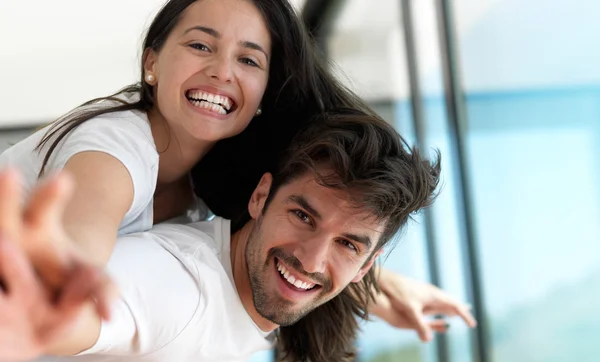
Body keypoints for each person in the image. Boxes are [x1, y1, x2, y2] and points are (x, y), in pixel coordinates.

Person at [1, 0, 473, 341]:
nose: (222, 72)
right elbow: (81, 235)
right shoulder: (111, 150)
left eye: (248, 59)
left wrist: (380, 283)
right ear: (151, 62)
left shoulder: (219, 175)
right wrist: (62, 279)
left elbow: (302, 253)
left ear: (266, 92)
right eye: (201, 45)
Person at [0, 109, 467, 362]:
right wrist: (44, 312)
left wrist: (384, 289)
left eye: (348, 244)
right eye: (303, 215)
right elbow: (109, 305)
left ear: (367, 264)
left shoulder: (247, 277)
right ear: (261, 196)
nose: (311, 258)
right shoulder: (183, 285)